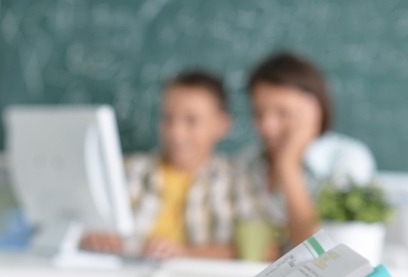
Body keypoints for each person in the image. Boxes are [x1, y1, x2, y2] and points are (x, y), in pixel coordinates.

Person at [82, 70, 236, 260]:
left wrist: (186, 255)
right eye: (167, 118)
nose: (175, 133)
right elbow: (77, 230)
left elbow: (255, 252)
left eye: (191, 120)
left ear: (222, 125)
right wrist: (92, 239)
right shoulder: (124, 171)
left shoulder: (235, 181)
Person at [236, 52, 376, 250]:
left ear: (313, 110)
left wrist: (287, 165)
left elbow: (322, 256)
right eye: (258, 113)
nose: (266, 127)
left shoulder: (349, 159)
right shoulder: (247, 161)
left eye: (282, 113)